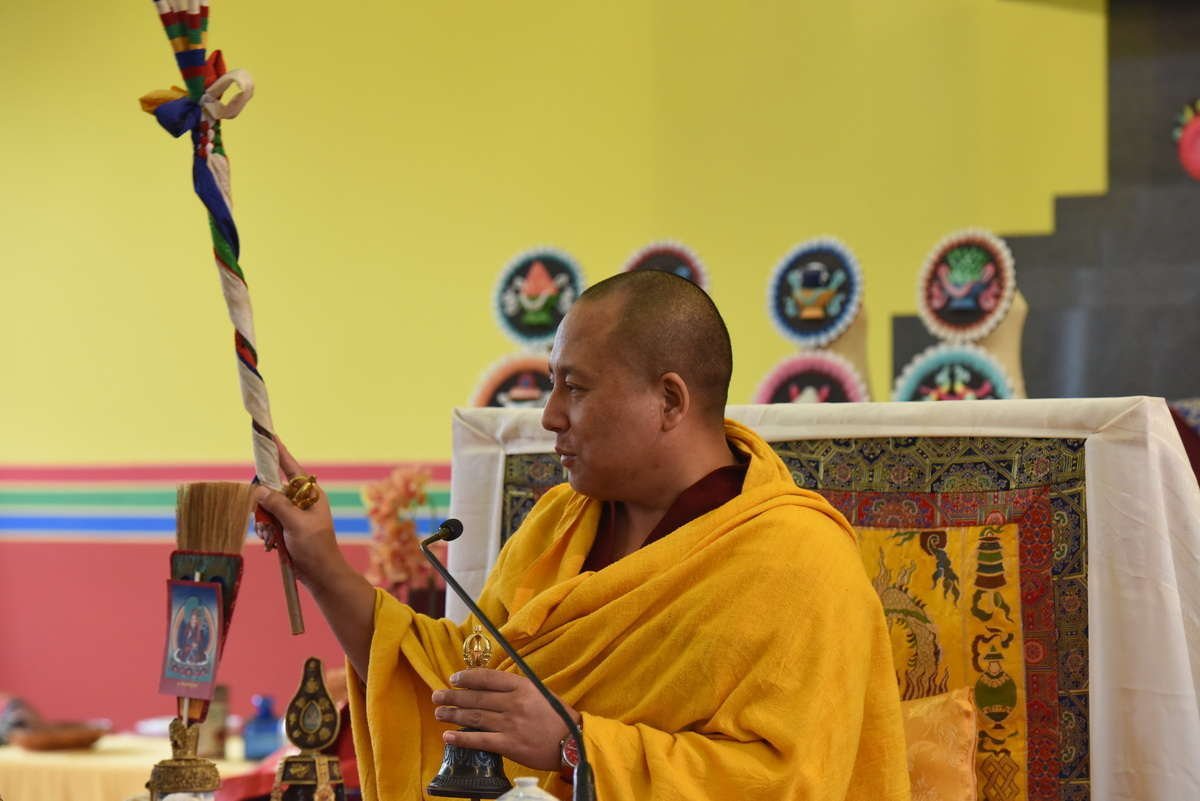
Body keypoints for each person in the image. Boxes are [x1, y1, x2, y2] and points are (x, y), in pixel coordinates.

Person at [255, 270, 910, 801]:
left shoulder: (801, 562)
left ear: (670, 401)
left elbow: (790, 783)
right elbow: (458, 684)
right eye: (552, 384)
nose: (549, 416)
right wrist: (322, 564)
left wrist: (575, 746)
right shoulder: (559, 522)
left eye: (575, 387)